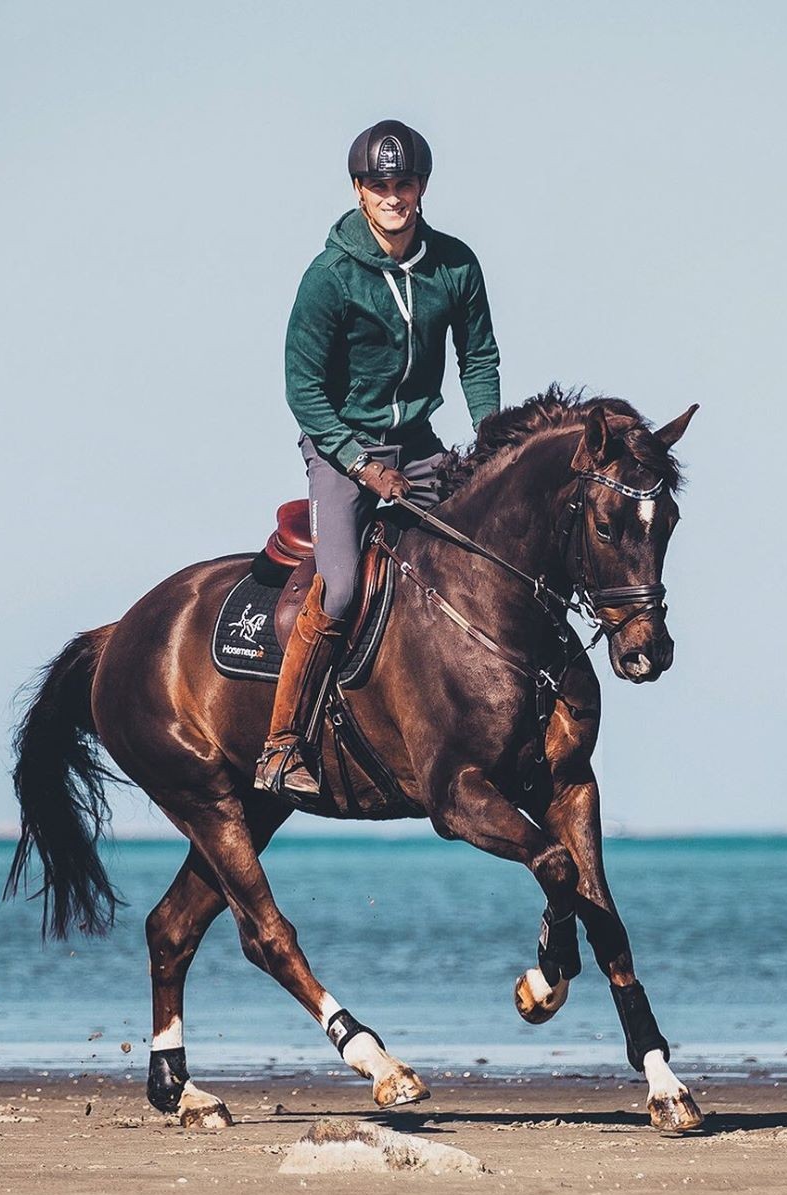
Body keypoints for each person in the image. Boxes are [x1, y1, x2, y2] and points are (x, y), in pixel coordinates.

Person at [254, 119, 501, 797]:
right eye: (378, 184)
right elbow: (303, 390)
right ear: (359, 190)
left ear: (421, 188)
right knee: (340, 586)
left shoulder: (455, 264)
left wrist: (491, 441)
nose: (392, 195)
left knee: (479, 559)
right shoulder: (328, 278)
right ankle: (280, 746)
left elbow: (477, 359)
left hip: (420, 446)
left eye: (404, 183)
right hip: (340, 448)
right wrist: (360, 465)